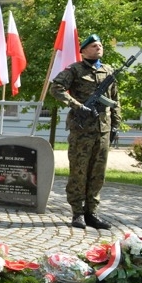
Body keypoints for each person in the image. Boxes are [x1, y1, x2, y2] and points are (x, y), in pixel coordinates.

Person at [50, 34, 120, 230]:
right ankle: (77, 213)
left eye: (100, 45)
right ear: (83, 50)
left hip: (103, 130)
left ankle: (92, 213)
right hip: (82, 129)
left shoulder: (109, 71)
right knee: (79, 171)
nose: (99, 48)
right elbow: (56, 88)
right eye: (94, 46)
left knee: (98, 173)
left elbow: (115, 100)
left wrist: (115, 124)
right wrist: (77, 105)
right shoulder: (75, 69)